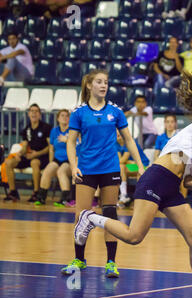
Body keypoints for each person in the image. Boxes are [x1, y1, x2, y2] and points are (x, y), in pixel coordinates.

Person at [73, 69, 192, 298]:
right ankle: (90, 217)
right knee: (134, 236)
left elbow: (189, 182)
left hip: (172, 188)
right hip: (156, 177)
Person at [61, 69, 145, 278]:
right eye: (99, 82)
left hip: (110, 168)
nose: (103, 85)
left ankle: (111, 263)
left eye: (106, 82)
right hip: (87, 169)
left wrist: (141, 166)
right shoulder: (79, 112)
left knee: (110, 214)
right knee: (81, 216)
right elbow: (71, 142)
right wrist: (73, 166)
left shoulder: (115, 111)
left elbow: (129, 140)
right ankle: (79, 259)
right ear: (89, 85)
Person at [3, 104, 51, 202]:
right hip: (30, 156)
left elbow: (50, 147)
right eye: (32, 111)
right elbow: (24, 147)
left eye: (36, 111)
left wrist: (36, 154)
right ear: (28, 114)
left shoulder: (46, 127)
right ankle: (13, 192)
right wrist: (19, 154)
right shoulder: (26, 129)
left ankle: (36, 192)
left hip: (43, 156)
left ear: (40, 114)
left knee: (34, 162)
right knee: (8, 163)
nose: (34, 113)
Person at [34, 109, 72, 206]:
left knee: (61, 171)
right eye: (62, 116)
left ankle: (65, 198)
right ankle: (41, 197)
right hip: (57, 158)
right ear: (58, 118)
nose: (64, 118)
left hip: (69, 159)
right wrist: (51, 162)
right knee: (47, 170)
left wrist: (67, 140)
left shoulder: (72, 130)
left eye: (67, 116)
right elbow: (51, 148)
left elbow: (79, 145)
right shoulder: (54, 131)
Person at [116, 130, 150, 207]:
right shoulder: (116, 144)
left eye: (119, 131)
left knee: (121, 167)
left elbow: (122, 160)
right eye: (116, 131)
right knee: (120, 168)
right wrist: (128, 162)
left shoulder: (129, 141)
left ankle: (136, 198)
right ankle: (124, 195)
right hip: (130, 166)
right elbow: (119, 161)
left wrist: (126, 161)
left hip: (143, 165)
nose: (118, 133)